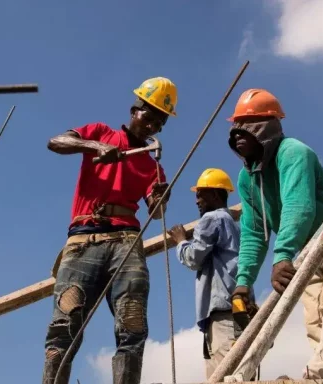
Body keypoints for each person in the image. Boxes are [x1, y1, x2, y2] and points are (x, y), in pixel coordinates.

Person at [42, 77, 177, 384]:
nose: (152, 125)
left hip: (126, 243)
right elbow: (55, 142)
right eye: (149, 114)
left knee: (132, 324)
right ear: (134, 110)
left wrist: (160, 199)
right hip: (84, 240)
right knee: (65, 324)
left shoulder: (151, 164)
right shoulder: (102, 132)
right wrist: (95, 146)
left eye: (159, 122)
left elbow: (156, 214)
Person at [227, 88, 323, 379]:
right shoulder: (248, 177)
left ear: (268, 128)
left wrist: (282, 256)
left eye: (248, 125)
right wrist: (243, 281)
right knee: (314, 315)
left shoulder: (293, 152)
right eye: (235, 127)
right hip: (305, 249)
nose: (238, 134)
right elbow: (255, 231)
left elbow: (300, 206)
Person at [168, 168, 243, 379]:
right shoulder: (234, 225)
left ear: (216, 195)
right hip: (235, 312)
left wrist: (181, 241)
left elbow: (193, 258)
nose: (197, 201)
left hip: (223, 315)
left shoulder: (212, 219)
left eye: (201, 194)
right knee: (237, 373)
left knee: (225, 376)